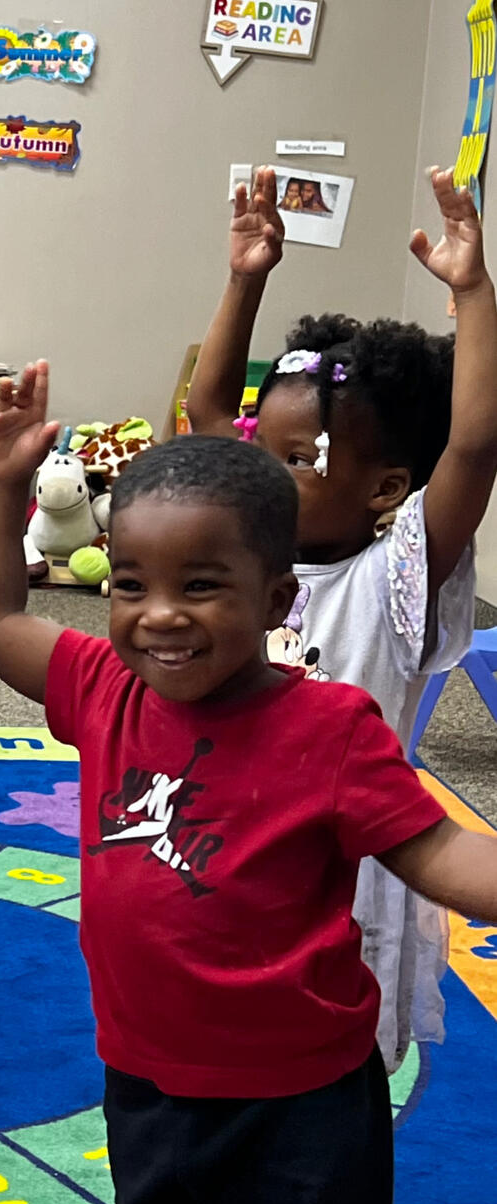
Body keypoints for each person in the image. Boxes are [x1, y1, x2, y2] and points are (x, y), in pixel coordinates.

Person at [0, 373, 497, 1204]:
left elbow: (438, 852)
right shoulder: (103, 687)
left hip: (301, 1106)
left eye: (202, 586)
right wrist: (6, 481)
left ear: (277, 601)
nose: (161, 615)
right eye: (132, 585)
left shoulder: (329, 727)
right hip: (147, 1085)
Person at [186, 163, 497, 1072]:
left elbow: (474, 446)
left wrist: (474, 295)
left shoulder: (395, 578)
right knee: (230, 1037)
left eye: (297, 459)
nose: (261, 472)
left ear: (386, 488)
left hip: (349, 867)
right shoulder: (247, 555)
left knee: (335, 1067)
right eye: (262, 449)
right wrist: (245, 278)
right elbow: (209, 411)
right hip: (241, 841)